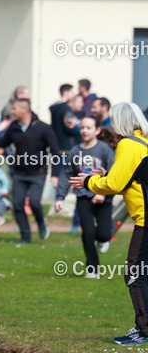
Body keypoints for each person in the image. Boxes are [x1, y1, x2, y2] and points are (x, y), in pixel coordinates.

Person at [69, 103, 148, 345]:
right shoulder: (143, 142)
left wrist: (90, 182)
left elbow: (114, 184)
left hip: (146, 220)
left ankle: (144, 330)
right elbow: (129, 179)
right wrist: (104, 176)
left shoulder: (127, 144)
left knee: (135, 273)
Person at [0, 98, 60, 243]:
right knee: (18, 205)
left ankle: (41, 223)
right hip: (19, 173)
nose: (12, 112)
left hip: (37, 173)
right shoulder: (14, 127)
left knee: (34, 202)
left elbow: (55, 152)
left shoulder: (43, 128)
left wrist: (55, 175)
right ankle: (25, 237)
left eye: (14, 109)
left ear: (24, 110)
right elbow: (2, 142)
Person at [56, 116, 114, 278]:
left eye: (89, 128)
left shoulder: (104, 149)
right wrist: (60, 197)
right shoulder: (75, 151)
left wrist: (101, 193)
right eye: (82, 127)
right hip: (83, 197)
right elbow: (66, 174)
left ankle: (104, 239)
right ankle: (92, 268)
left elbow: (113, 173)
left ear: (97, 130)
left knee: (103, 234)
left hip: (103, 197)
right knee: (88, 232)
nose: (85, 131)